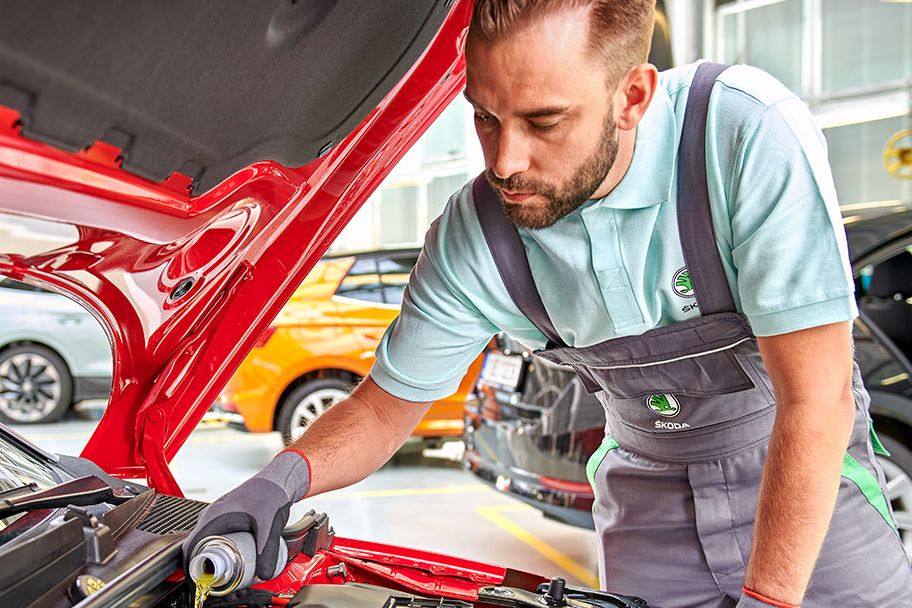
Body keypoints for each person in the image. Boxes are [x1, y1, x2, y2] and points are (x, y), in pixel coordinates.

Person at [183, 1, 912, 606]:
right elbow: (382, 409)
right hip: (645, 496)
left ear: (633, 96)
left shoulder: (742, 135)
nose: (504, 162)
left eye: (544, 121)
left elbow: (815, 401)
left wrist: (771, 598)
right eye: (486, 118)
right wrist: (276, 479)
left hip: (804, 483)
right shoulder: (476, 235)